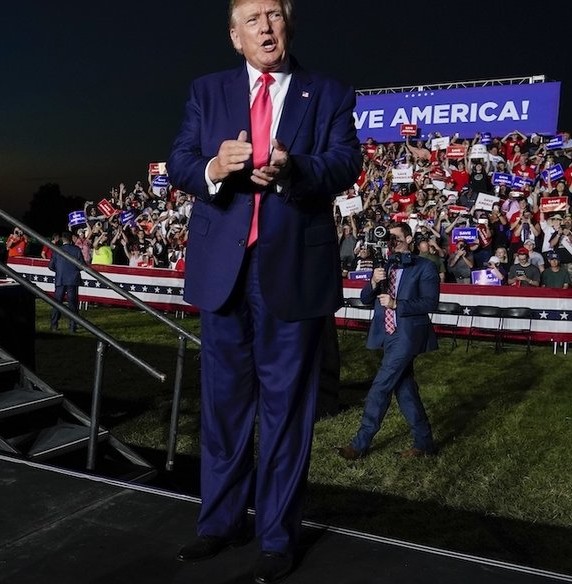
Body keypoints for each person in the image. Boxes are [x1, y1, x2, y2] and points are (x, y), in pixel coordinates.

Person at [166, 2, 361, 582]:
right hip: (222, 272)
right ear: (234, 36)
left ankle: (278, 537)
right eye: (252, 19)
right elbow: (179, 161)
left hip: (292, 273)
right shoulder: (206, 91)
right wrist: (212, 167)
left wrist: (295, 167)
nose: (266, 27)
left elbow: (345, 163)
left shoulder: (327, 91)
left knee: (286, 411)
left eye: (274, 14)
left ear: (289, 25)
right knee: (223, 408)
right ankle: (220, 524)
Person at [338, 221, 439, 461]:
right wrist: (374, 281)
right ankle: (424, 444)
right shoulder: (384, 266)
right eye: (389, 240)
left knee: (380, 388)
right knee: (405, 390)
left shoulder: (425, 266)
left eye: (397, 239)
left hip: (407, 335)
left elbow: (430, 303)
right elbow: (364, 298)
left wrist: (397, 304)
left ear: (409, 239)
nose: (393, 243)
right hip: (387, 334)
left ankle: (360, 444)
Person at [47, 231, 85, 333]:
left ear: (62, 239)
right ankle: (72, 327)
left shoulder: (57, 250)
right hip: (72, 280)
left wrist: (59, 271)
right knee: (72, 304)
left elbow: (51, 266)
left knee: (57, 303)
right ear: (71, 239)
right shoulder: (76, 250)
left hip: (60, 279)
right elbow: (82, 266)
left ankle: (54, 325)